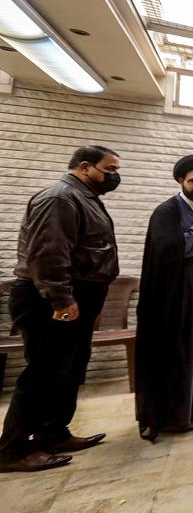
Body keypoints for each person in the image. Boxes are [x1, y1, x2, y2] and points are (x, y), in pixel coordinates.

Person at [0, 146, 121, 473]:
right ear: (85, 166)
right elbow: (49, 254)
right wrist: (61, 299)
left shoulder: (83, 197)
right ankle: (11, 451)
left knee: (67, 368)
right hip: (50, 300)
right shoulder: (60, 198)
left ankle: (52, 433)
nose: (115, 176)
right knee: (43, 372)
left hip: (76, 295)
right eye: (109, 169)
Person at [135, 155, 193, 441]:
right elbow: (165, 255)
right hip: (179, 303)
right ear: (180, 181)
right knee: (181, 354)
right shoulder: (166, 212)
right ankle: (176, 415)